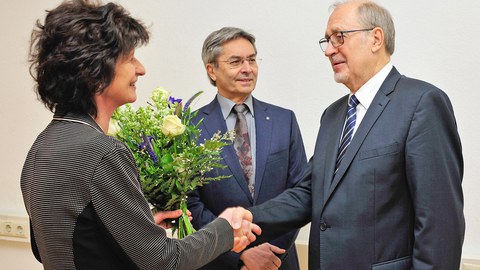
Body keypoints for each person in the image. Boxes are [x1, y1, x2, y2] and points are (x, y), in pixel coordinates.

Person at [21, 1, 260, 269]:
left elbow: (51, 246)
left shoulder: (40, 148)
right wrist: (225, 228)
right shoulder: (103, 152)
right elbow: (165, 262)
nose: (141, 69)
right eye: (130, 57)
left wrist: (141, 226)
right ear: (95, 68)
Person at [249, 1, 465, 269]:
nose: (328, 50)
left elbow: (439, 223)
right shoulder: (332, 115)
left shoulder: (422, 103)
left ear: (376, 38)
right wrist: (243, 219)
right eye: (326, 40)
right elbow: (307, 193)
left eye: (339, 37)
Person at [187, 27, 307, 270]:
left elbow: (301, 193)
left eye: (252, 59)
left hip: (277, 260)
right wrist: (239, 254)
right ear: (212, 69)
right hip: (218, 261)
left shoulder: (285, 121)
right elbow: (191, 204)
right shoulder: (190, 127)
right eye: (236, 61)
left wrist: (271, 253)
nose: (247, 68)